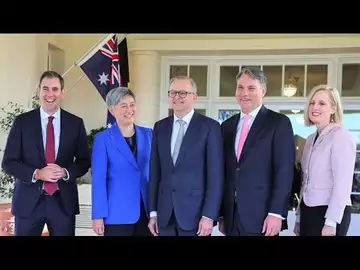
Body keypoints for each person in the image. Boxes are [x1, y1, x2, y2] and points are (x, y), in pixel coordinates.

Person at [1, 70, 91, 236]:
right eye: (46, 88)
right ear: (38, 91)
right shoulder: (22, 122)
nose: (50, 94)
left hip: (63, 203)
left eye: (55, 89)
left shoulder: (75, 123)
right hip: (28, 203)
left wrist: (65, 172)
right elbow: (8, 162)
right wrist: (37, 173)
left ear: (62, 92)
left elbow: (84, 161)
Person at [219, 67, 295, 236]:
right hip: (232, 217)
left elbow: (284, 171)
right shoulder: (227, 126)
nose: (244, 93)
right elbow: (225, 171)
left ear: (263, 91)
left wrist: (276, 213)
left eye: (251, 88)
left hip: (263, 218)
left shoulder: (278, 123)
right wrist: (222, 213)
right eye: (240, 87)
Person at [148, 76, 224, 236]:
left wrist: (209, 215)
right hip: (164, 215)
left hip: (195, 216)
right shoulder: (160, 127)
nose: (176, 97)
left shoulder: (210, 127)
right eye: (173, 93)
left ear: (194, 97)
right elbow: (155, 173)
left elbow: (215, 176)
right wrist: (153, 212)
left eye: (182, 93)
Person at [293, 85, 356, 236]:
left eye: (322, 103)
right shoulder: (309, 140)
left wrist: (331, 222)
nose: (315, 107)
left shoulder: (341, 136)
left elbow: (343, 184)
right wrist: (299, 218)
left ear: (333, 108)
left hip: (329, 213)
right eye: (312, 103)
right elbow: (305, 181)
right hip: (309, 211)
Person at [91, 87, 153, 236]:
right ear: (112, 111)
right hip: (116, 214)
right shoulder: (103, 139)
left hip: (147, 212)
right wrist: (98, 216)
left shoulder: (149, 134)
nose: (129, 110)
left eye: (132, 105)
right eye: (123, 106)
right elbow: (99, 180)